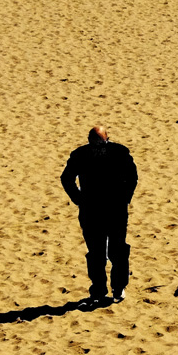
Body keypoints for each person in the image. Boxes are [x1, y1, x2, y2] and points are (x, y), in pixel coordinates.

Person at [61, 126, 138, 303]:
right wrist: (78, 198)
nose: (98, 147)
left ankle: (118, 288)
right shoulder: (79, 155)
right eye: (95, 144)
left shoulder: (120, 152)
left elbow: (132, 177)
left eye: (101, 143)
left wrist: (125, 198)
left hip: (115, 211)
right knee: (96, 253)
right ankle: (99, 289)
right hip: (91, 211)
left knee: (117, 251)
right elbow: (67, 178)